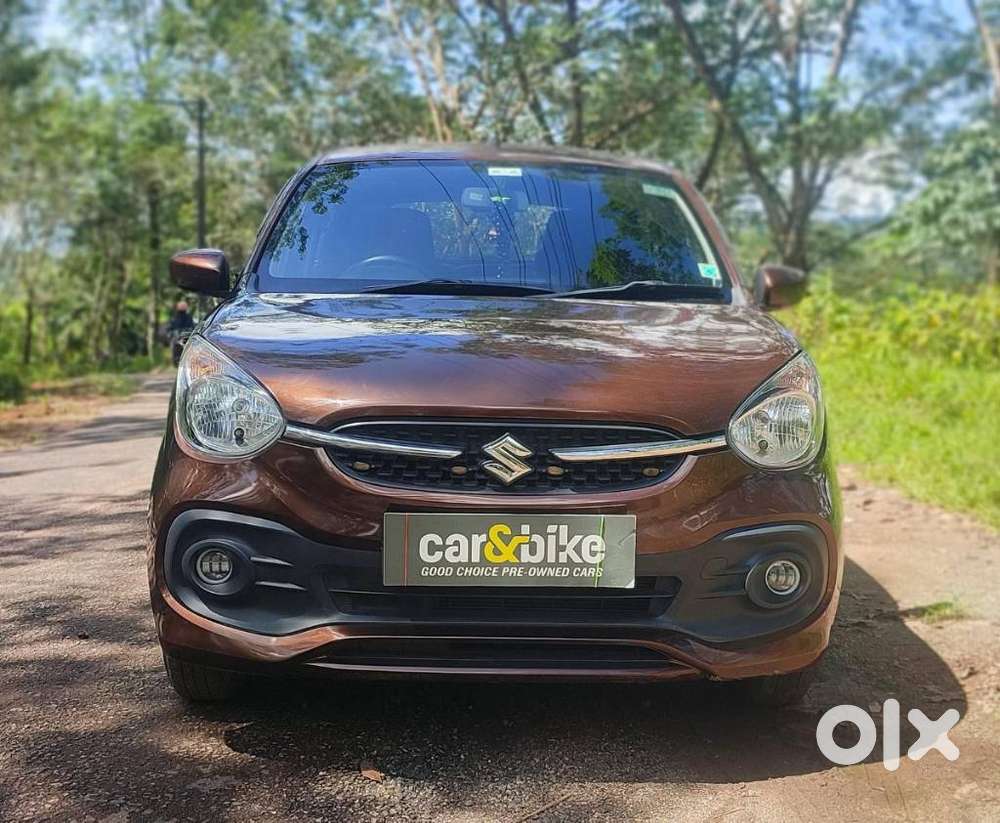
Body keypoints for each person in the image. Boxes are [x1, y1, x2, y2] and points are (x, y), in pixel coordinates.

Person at [167, 301, 195, 366]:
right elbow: (169, 330)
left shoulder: (189, 317)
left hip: (187, 340)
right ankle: (177, 362)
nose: (182, 307)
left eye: (183, 306)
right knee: (177, 354)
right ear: (177, 307)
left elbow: (192, 328)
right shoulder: (173, 318)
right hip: (176, 340)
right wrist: (173, 335)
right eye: (181, 306)